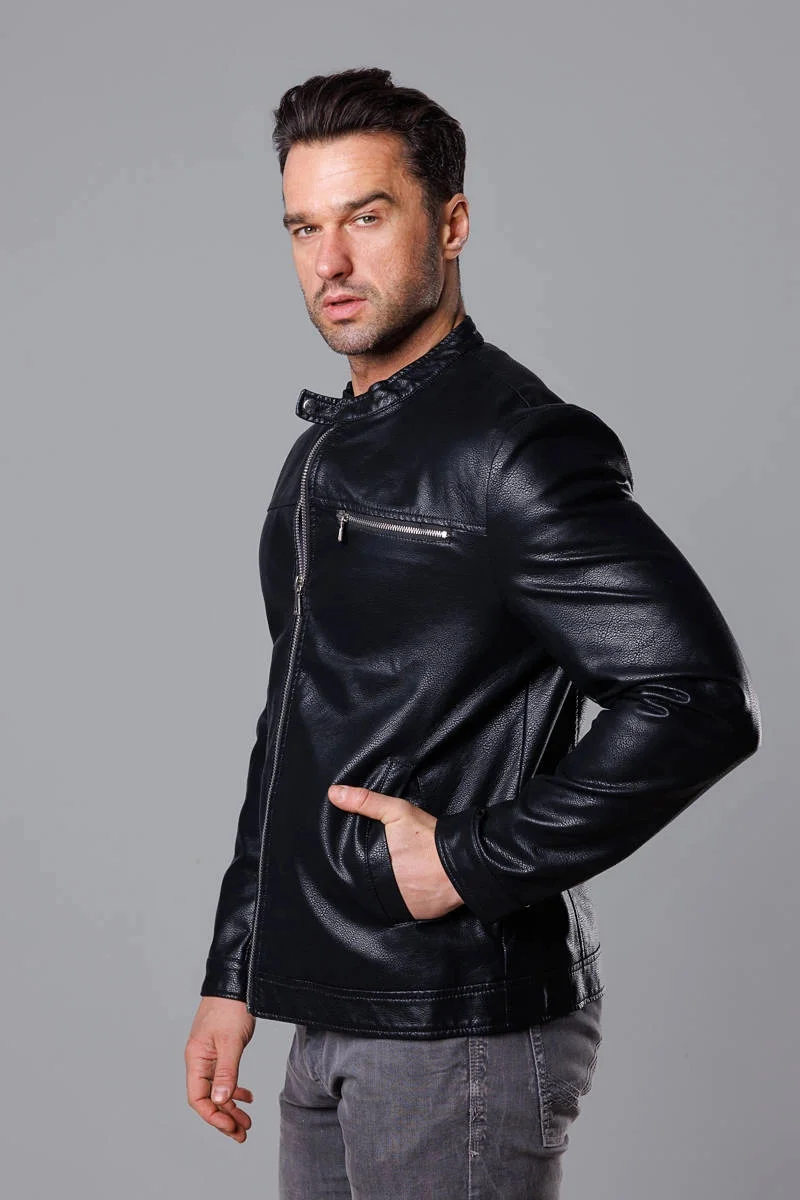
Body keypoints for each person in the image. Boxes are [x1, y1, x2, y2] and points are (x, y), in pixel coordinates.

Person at [184, 67, 761, 1198]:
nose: (329, 261)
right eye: (303, 227)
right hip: (329, 1008)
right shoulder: (323, 452)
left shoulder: (515, 448)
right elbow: (295, 720)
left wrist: (465, 860)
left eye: (365, 217)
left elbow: (696, 699)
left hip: (456, 1027)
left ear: (449, 224)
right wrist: (234, 970)